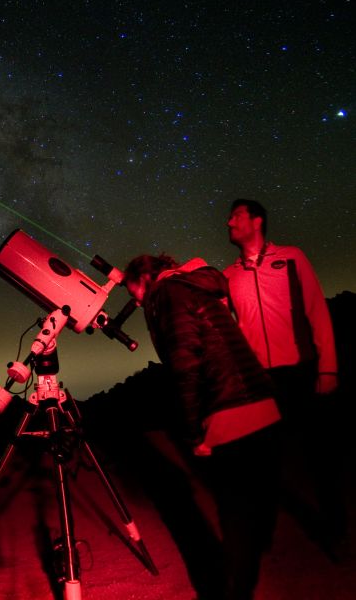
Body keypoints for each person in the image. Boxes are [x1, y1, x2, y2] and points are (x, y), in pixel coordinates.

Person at [124, 253, 282, 600]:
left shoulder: (166, 293)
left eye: (134, 292)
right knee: (256, 502)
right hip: (262, 402)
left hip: (229, 408)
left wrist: (194, 431)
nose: (136, 302)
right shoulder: (192, 285)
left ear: (145, 278)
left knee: (235, 517)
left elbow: (185, 363)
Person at [223, 198, 345, 558]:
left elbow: (317, 310)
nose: (229, 222)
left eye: (237, 216)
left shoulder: (292, 257)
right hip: (259, 381)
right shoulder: (229, 276)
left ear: (256, 221)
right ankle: (265, 540)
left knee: (320, 457)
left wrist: (328, 366)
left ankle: (335, 533)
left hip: (301, 370)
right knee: (262, 464)